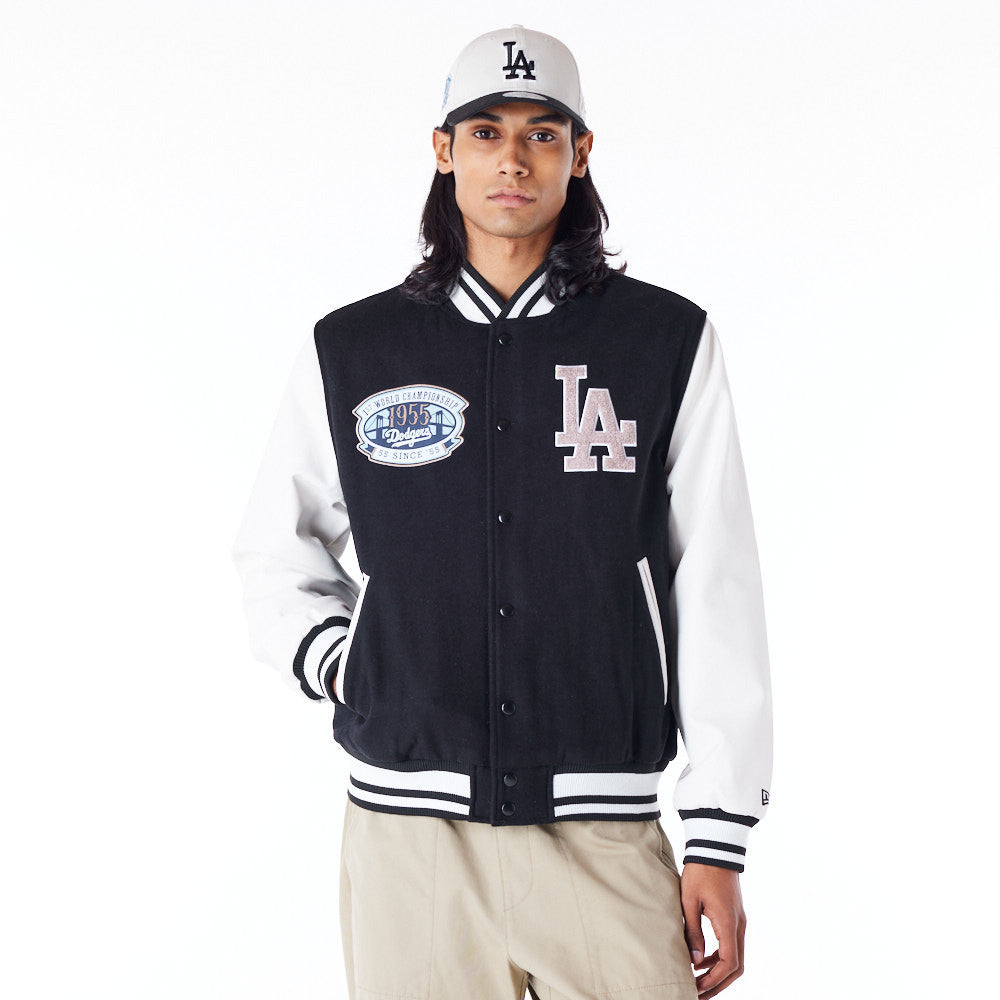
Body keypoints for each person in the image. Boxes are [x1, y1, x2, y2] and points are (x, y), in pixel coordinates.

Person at [231, 23, 773, 1000]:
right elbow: (276, 549)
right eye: (485, 132)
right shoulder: (355, 350)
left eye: (540, 133)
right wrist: (349, 661)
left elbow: (716, 578)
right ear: (443, 150)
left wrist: (718, 834)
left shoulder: (662, 342)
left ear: (580, 152)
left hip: (603, 831)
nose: (512, 158)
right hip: (410, 843)